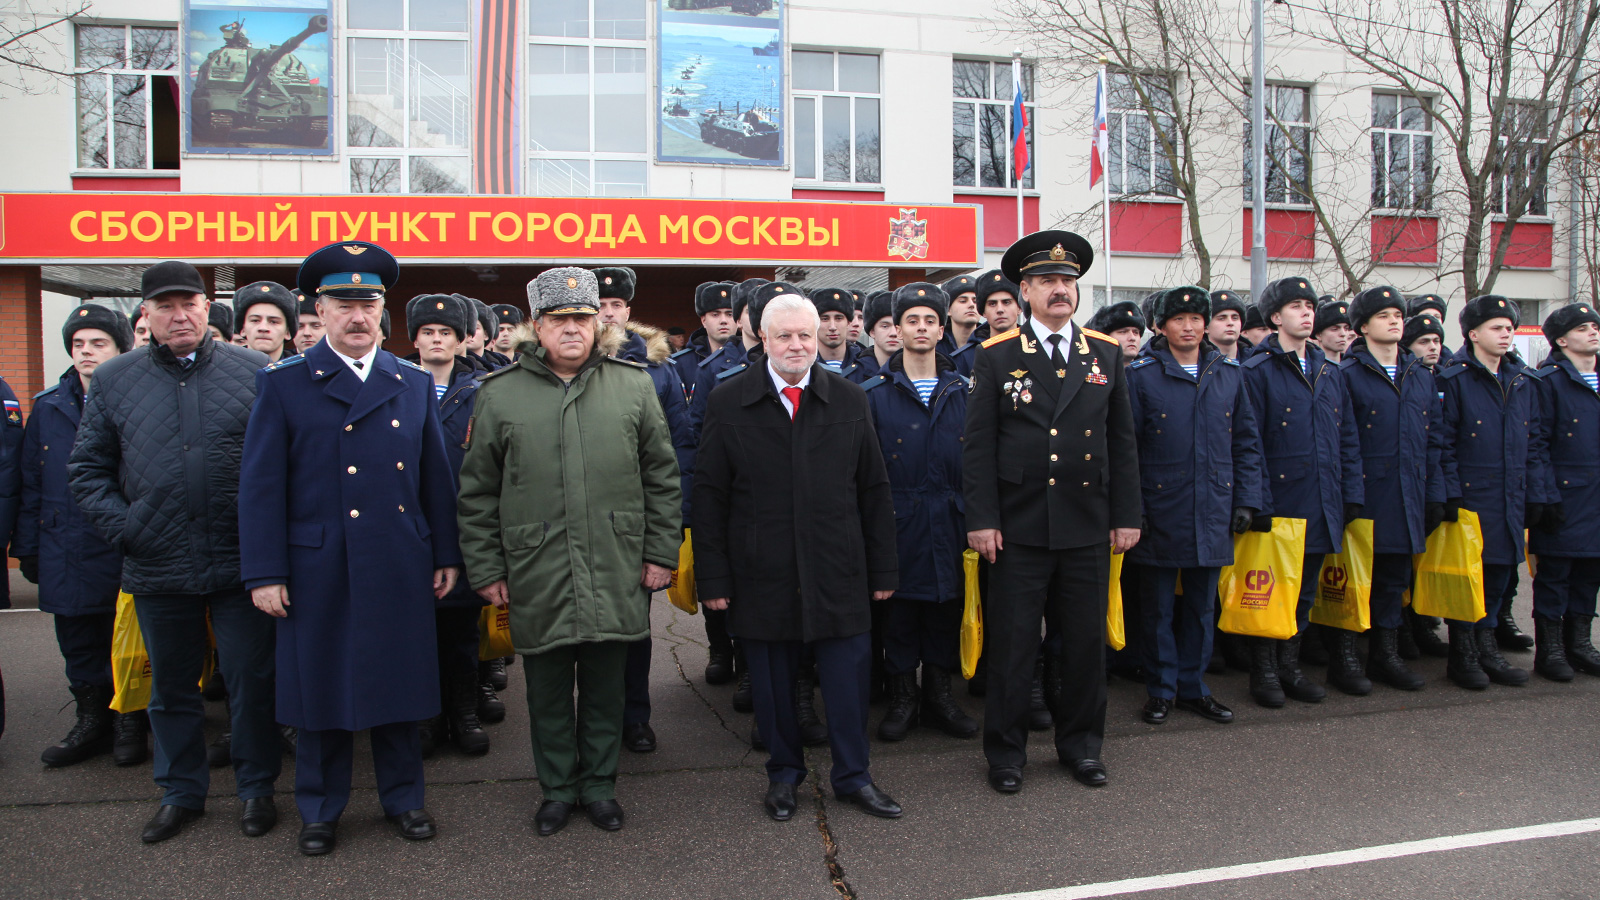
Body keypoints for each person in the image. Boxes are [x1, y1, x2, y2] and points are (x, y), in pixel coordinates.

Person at [238, 242, 460, 856]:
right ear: (320, 309)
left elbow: (433, 478)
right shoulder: (284, 384)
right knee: (319, 692)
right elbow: (260, 488)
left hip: (396, 555)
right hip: (317, 564)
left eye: (369, 303)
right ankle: (319, 808)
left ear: (382, 311)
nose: (358, 316)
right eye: (343, 304)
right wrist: (263, 572)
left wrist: (445, 553)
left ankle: (404, 800)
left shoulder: (410, 382)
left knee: (399, 686)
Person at [457, 267, 681, 837]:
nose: (573, 329)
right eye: (559, 319)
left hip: (616, 562)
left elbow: (662, 476)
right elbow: (478, 490)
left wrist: (660, 554)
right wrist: (485, 568)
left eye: (582, 317)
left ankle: (600, 786)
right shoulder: (499, 394)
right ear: (537, 325)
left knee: (608, 689)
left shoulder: (633, 385)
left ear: (598, 323)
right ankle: (558, 789)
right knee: (549, 693)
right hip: (537, 569)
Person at [69, 260, 278, 845]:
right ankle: (181, 792)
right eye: (165, 306)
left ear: (208, 307)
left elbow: (283, 465)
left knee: (250, 682)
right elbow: (87, 471)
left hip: (242, 563)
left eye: (189, 302)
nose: (179, 314)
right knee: (171, 689)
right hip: (158, 563)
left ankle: (257, 788)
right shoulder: (115, 379)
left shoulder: (255, 371)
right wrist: (129, 528)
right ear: (147, 316)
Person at [694, 289, 902, 822]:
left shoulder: (851, 399)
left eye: (804, 335)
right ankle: (783, 775)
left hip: (840, 569)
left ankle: (854, 777)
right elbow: (710, 497)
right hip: (762, 573)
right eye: (783, 335)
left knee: (848, 686)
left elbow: (874, 490)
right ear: (763, 339)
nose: (795, 345)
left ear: (821, 338)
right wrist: (713, 578)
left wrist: (883, 569)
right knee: (773, 687)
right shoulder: (727, 400)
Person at [963, 230, 1141, 794]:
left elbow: (1123, 442)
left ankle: (1082, 747)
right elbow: (978, 446)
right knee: (1015, 646)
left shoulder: (1105, 353)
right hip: (1017, 525)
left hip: (1087, 521)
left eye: (1067, 281)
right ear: (1025, 291)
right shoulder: (996, 356)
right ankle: (1006, 755)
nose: (1059, 290)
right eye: (1047, 282)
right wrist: (982, 519)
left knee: (1085, 644)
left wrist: (1126, 514)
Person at [1123, 286, 1261, 726]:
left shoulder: (1229, 374)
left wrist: (1248, 501)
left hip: (1214, 506)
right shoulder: (1141, 376)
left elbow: (1247, 443)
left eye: (1196, 319)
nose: (1188, 327)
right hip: (1161, 508)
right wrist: (1133, 508)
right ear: (1160, 327)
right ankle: (1161, 689)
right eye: (1178, 319)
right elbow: (1127, 450)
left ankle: (1193, 686)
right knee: (1158, 607)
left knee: (1202, 607)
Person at [18, 305, 141, 768]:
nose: (86, 352)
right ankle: (92, 720)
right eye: (78, 344)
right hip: (62, 545)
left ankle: (130, 720)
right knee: (77, 640)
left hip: (116, 542)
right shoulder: (48, 405)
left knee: (125, 640)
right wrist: (27, 546)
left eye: (98, 343)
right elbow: (31, 481)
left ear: (118, 348)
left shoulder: (131, 399)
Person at [1239, 276, 1363, 708]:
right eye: (1295, 306)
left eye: (1309, 306)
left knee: (1305, 591)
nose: (1307, 313)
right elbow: (1248, 442)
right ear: (1275, 318)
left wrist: (1351, 495)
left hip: (1322, 500)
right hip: (1280, 502)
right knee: (1272, 591)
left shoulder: (1330, 370)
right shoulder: (1255, 371)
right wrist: (1256, 502)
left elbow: (1346, 439)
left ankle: (1290, 666)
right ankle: (1266, 671)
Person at [862, 283, 978, 742]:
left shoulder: (964, 390)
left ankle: (939, 696)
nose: (922, 328)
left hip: (952, 520)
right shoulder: (872, 393)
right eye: (912, 320)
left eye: (930, 319)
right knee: (900, 614)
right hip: (899, 522)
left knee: (946, 609)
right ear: (897, 328)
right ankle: (903, 696)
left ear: (942, 327)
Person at [594, 266, 695, 754]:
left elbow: (677, 449)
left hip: (634, 520)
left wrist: (670, 527)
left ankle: (635, 717)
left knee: (634, 627)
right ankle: (593, 719)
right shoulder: (565, 363)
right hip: (583, 517)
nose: (608, 313)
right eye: (601, 306)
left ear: (628, 312)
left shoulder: (658, 369)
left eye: (616, 306)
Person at [1437, 295, 1551, 689]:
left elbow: (1534, 443)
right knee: (1470, 579)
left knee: (1501, 576)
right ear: (1473, 334)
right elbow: (1443, 443)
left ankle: (1488, 650)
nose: (1506, 335)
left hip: (1510, 496)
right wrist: (1450, 494)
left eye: (1509, 328)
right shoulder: (1453, 379)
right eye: (1497, 328)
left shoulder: (1521, 380)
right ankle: (1464, 655)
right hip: (1473, 497)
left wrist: (1536, 493)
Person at [1337, 286, 1446, 692]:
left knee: (1393, 580)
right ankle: (1345, 656)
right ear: (1362, 326)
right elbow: (1342, 441)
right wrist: (1349, 495)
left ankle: (1385, 655)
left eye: (1398, 314)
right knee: (1352, 579)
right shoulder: (1346, 374)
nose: (1395, 321)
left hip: (1408, 494)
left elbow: (1433, 440)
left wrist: (1435, 493)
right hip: (1366, 494)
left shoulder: (1419, 373)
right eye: (1383, 315)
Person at [406, 293, 494, 756]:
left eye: (445, 333)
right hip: (412, 529)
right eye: (427, 333)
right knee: (416, 632)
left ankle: (463, 711)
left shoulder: (484, 390)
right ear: (414, 340)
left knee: (462, 631)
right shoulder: (395, 384)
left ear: (462, 340)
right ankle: (426, 716)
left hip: (465, 528)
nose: (436, 340)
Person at [1529, 302, 1600, 681]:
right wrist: (1545, 494)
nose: (1592, 331)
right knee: (1556, 574)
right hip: (1565, 494)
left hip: (1597, 495)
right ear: (1561, 339)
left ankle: (1580, 643)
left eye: (1594, 325)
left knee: (1590, 572)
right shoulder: (1548, 381)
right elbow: (1536, 443)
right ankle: (1551, 649)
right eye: (1582, 327)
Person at [672, 281, 736, 393]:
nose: (723, 321)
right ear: (704, 320)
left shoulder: (750, 358)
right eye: (715, 315)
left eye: (729, 314)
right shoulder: (681, 363)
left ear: (738, 320)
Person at [811, 286, 871, 375]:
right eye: (825, 319)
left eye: (838, 318)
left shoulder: (866, 365)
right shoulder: (804, 366)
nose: (832, 327)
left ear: (848, 322)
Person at [232, 281, 297, 364]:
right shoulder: (223, 370)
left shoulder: (304, 372)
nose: (263, 328)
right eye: (255, 320)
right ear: (243, 328)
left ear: (287, 331)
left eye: (273, 322)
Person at [939, 274, 984, 375]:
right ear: (948, 309)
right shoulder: (936, 345)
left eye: (975, 301)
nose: (971, 305)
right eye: (963, 301)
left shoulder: (989, 343)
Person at [975, 270, 1024, 336]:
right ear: (983, 312)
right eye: (992, 304)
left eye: (1006, 302)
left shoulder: (1037, 344)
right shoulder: (976, 346)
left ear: (1019, 308)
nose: (1000, 310)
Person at [863, 292, 901, 376]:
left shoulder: (917, 374)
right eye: (885, 326)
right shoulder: (854, 375)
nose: (893, 333)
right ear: (872, 331)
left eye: (898, 327)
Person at [1208, 290, 1248, 359]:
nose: (1230, 323)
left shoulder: (1256, 361)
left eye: (1235, 318)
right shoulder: (1197, 362)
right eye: (1221, 318)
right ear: (1206, 327)